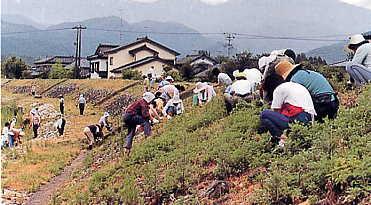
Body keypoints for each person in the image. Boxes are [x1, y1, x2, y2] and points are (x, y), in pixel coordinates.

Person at [259, 74, 316, 148]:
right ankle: (285, 137)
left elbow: (275, 111)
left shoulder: (279, 89)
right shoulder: (294, 85)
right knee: (269, 119)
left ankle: (282, 137)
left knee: (264, 114)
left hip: (299, 117)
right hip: (309, 119)